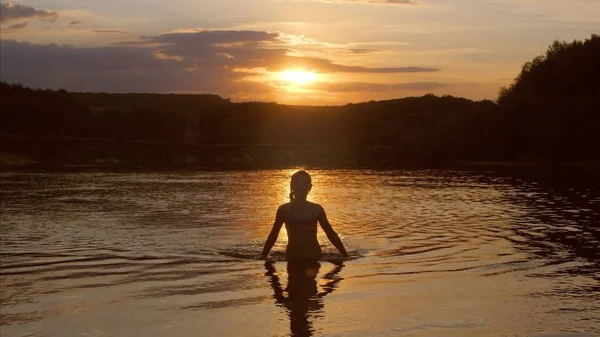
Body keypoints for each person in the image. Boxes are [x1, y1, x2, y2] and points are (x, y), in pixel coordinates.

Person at [261, 170, 349, 261]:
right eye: (298, 183)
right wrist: (263, 256)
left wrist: (345, 255)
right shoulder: (284, 210)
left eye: (305, 183)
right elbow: (273, 235)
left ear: (309, 187)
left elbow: (330, 234)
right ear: (292, 186)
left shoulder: (317, 209)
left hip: (314, 257)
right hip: (292, 258)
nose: (301, 187)